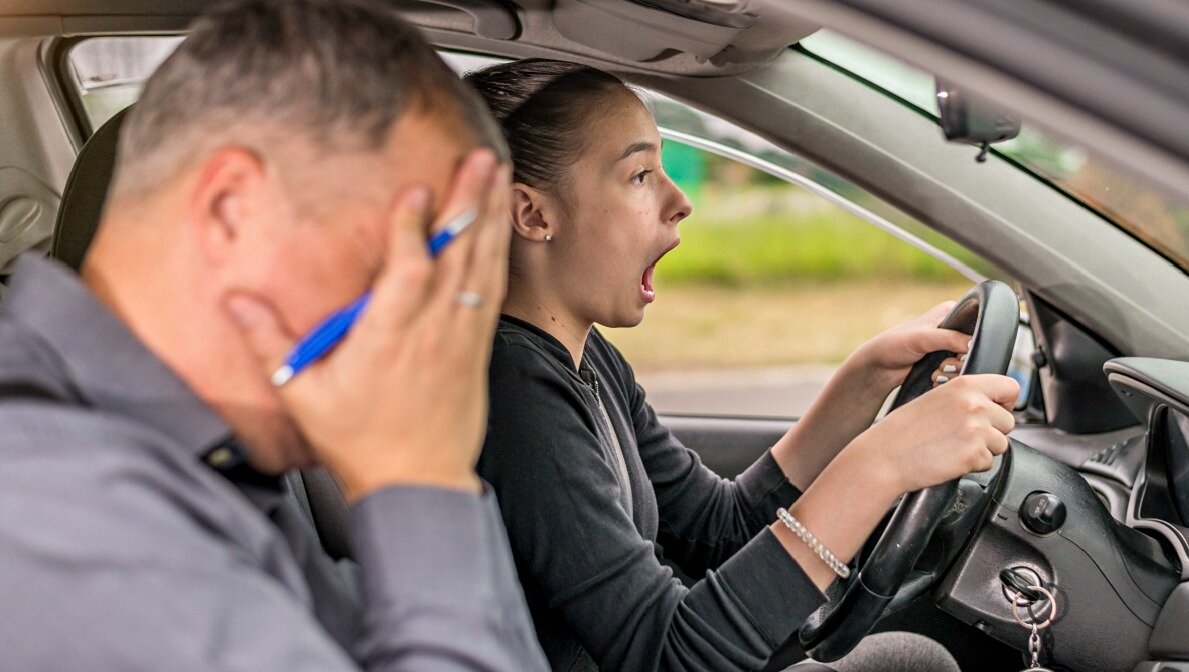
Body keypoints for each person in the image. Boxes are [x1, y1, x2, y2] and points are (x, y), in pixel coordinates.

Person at [0, 1, 549, 670]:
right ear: (232, 210)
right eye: (405, 267)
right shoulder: (48, 498)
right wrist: (420, 479)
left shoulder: (210, 464)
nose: (429, 332)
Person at [465, 59, 1019, 672]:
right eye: (641, 174)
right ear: (533, 214)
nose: (680, 201)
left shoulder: (584, 358)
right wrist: (881, 464)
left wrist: (866, 378)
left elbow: (717, 528)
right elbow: (671, 656)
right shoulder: (512, 391)